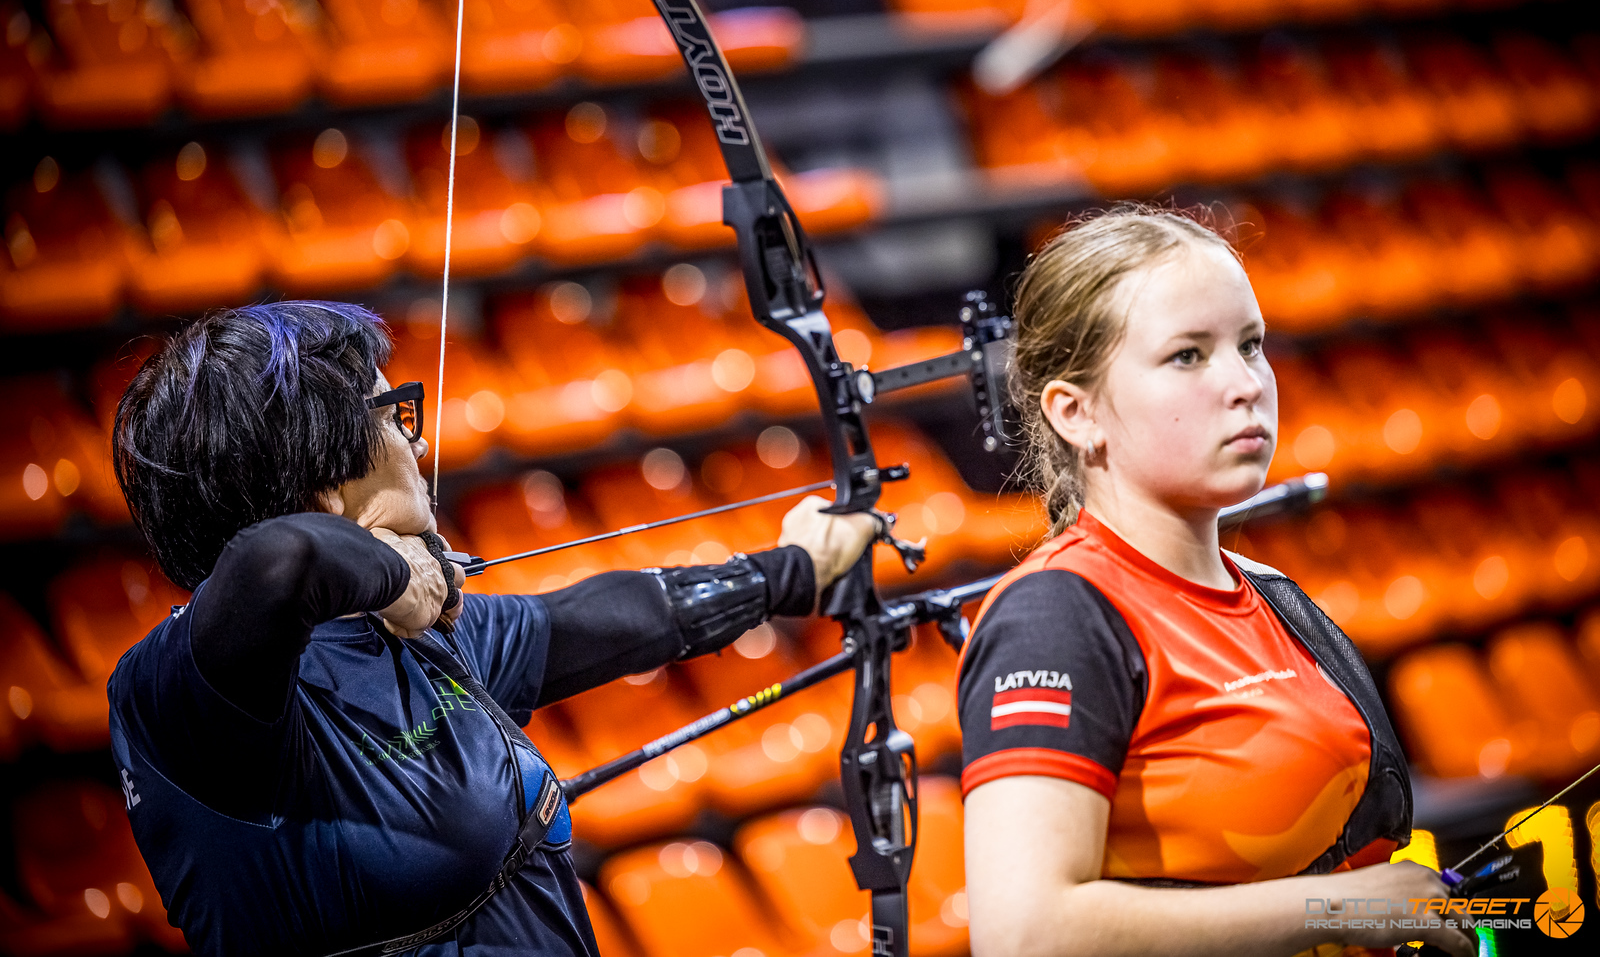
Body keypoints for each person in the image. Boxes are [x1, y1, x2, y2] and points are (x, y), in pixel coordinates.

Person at [106, 301, 878, 957]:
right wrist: (396, 571)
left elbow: (600, 619)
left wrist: (794, 569)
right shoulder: (178, 699)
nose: (418, 442)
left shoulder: (402, 636)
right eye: (393, 415)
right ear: (325, 482)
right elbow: (276, 563)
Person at [957, 210, 1476, 957]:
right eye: (1187, 355)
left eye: (1251, 345)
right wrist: (1335, 908)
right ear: (1077, 412)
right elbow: (1024, 935)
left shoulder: (1273, 593)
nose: (1245, 384)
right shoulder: (1057, 616)